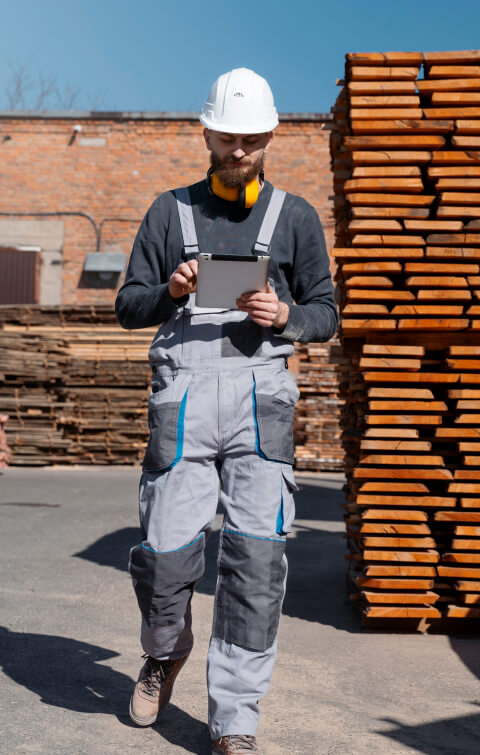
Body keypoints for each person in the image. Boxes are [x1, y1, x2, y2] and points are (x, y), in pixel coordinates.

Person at [115, 67, 338, 755]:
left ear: (270, 136)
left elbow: (327, 313)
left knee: (255, 564)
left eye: (251, 139)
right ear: (206, 132)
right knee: (163, 556)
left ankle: (235, 719)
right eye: (226, 138)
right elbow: (128, 306)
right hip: (183, 401)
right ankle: (165, 650)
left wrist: (287, 315)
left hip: (259, 404)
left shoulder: (295, 218)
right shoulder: (170, 213)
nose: (238, 151)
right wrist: (170, 290)